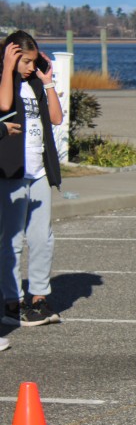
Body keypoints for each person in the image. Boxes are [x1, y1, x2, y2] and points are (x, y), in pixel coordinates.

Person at [0, 30, 62, 329]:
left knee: (42, 237)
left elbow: (56, 118)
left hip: (39, 170)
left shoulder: (35, 82)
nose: (30, 67)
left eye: (34, 61)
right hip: (12, 171)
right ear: (11, 57)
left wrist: (48, 81)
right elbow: (3, 106)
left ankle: (39, 297)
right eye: (25, 61)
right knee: (11, 240)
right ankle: (11, 302)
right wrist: (7, 68)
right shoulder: (6, 81)